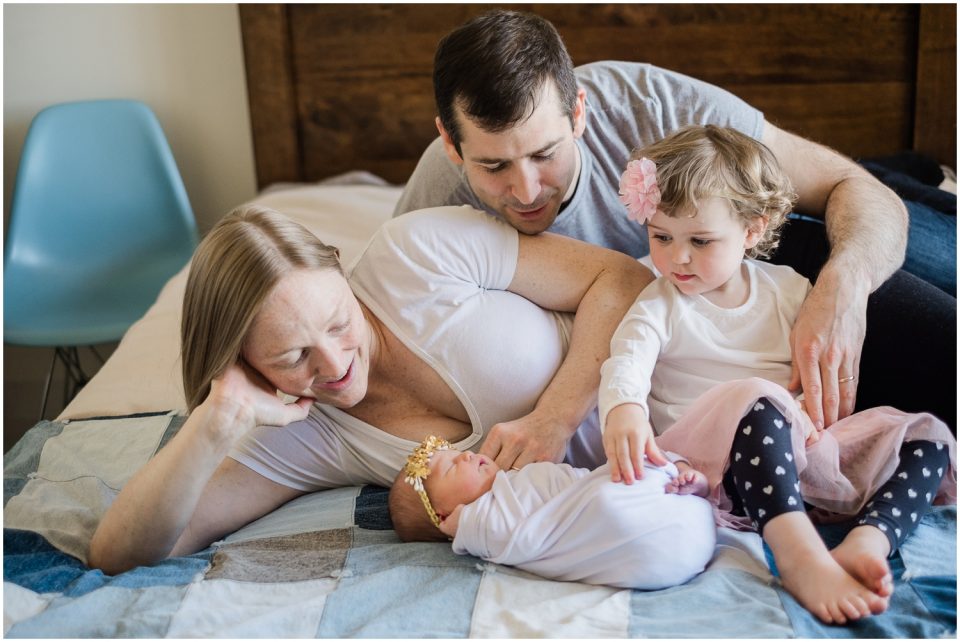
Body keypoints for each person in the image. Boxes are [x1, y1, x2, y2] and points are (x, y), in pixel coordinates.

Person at [394, 9, 957, 464]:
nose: (525, 190)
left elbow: (850, 186)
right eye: (494, 167)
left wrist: (843, 291)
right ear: (450, 141)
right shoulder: (431, 213)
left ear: (579, 113)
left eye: (545, 154)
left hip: (777, 265)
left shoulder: (656, 109)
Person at [86, 203, 649, 575]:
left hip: (691, 358)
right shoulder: (303, 438)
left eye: (337, 322)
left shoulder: (416, 255)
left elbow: (622, 278)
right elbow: (119, 553)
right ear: (247, 365)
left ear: (339, 269)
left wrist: (556, 416)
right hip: (673, 481)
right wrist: (216, 419)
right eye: (293, 356)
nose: (335, 365)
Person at [597, 124, 956, 625]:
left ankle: (869, 539)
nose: (677, 256)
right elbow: (626, 360)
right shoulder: (659, 302)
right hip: (708, 463)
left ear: (752, 230)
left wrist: (811, 409)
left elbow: (816, 364)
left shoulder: (788, 289)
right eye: (661, 236)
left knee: (927, 437)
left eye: (699, 240)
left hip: (796, 454)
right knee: (758, 399)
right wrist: (625, 411)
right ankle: (799, 556)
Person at [388, 435, 715, 590]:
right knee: (606, 501)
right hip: (645, 541)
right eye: (450, 469)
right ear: (443, 517)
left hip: (677, 524)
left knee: (645, 453)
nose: (465, 458)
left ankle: (688, 480)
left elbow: (575, 483)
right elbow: (522, 536)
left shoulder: (510, 481)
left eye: (459, 453)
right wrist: (462, 525)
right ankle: (680, 482)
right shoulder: (484, 524)